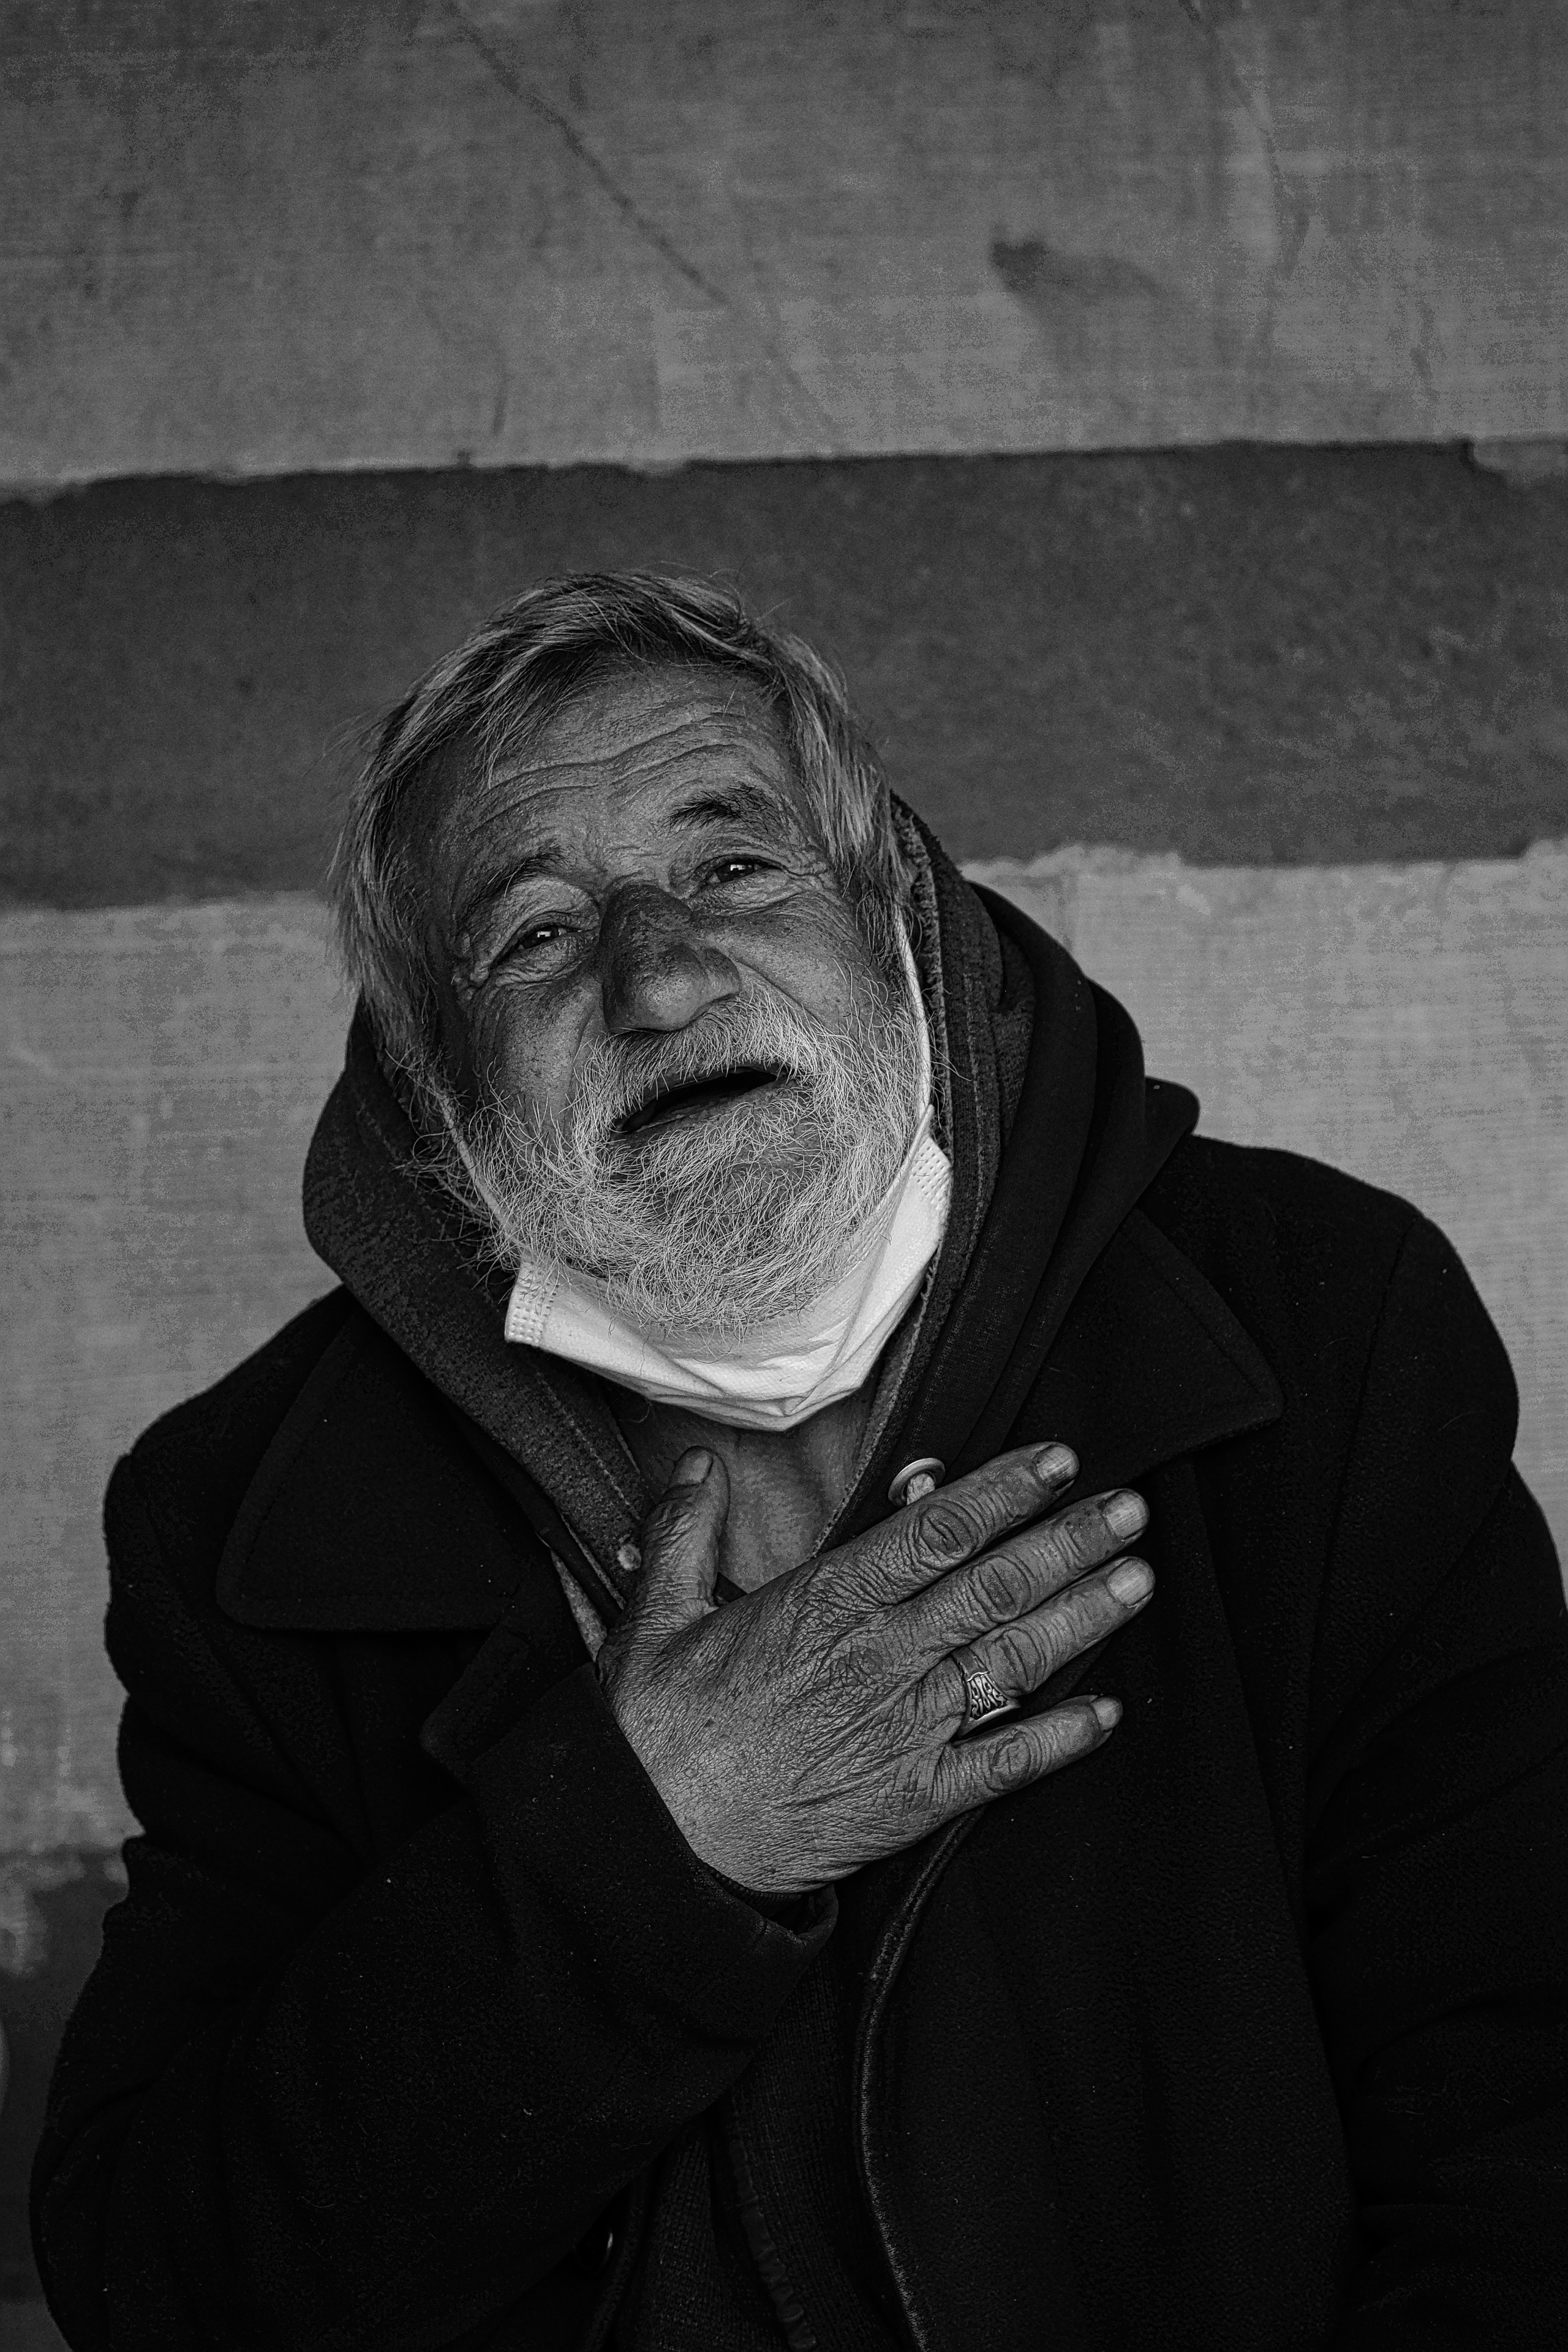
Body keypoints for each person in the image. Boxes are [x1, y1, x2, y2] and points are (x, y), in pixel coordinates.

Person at [33, 573, 1568, 2351]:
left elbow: (1518, 2143)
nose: (657, 975)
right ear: (436, 1083)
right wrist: (647, 1844)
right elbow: (166, 2282)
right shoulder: (242, 1520)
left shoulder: (1324, 1327)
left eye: (736, 867)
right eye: (534, 935)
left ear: (893, 914)